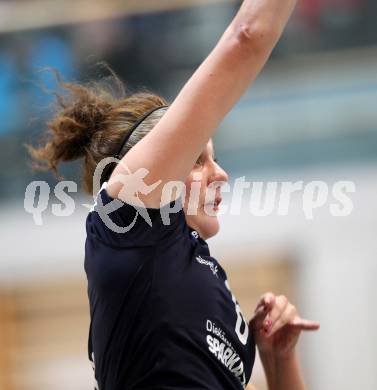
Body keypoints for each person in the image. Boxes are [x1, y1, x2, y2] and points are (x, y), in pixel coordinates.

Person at [27, 0, 320, 389]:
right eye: (198, 160)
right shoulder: (130, 226)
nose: (221, 175)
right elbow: (246, 37)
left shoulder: (188, 268)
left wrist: (279, 359)